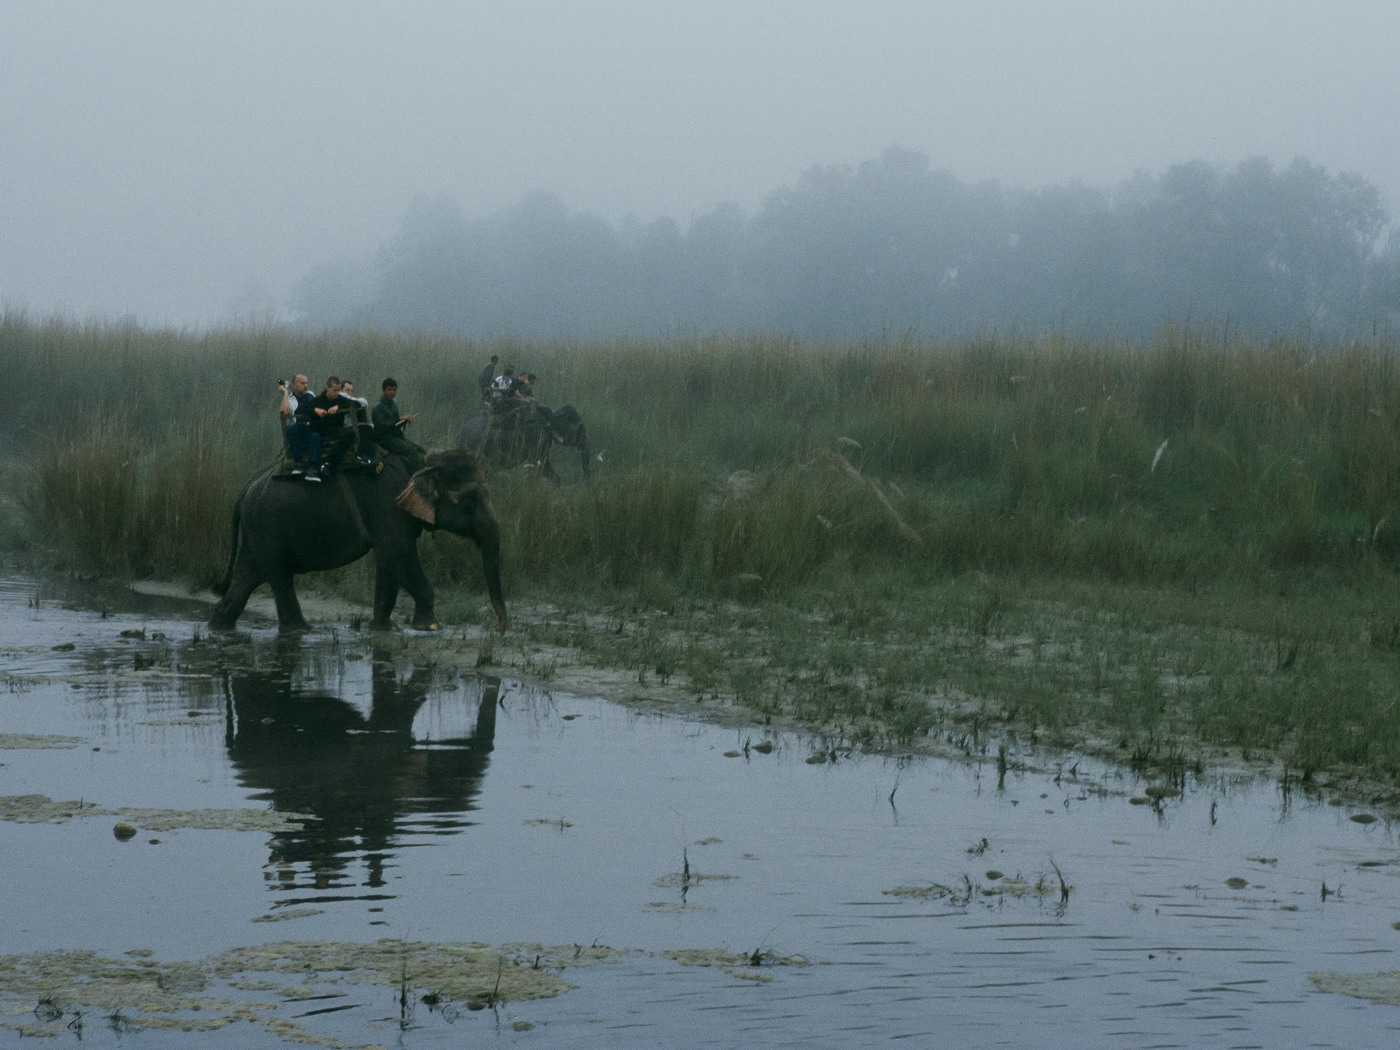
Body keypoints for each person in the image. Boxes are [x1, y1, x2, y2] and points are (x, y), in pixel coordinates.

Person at [307, 376, 364, 479]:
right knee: (346, 434)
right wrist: (316, 410)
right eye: (334, 390)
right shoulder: (319, 400)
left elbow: (357, 404)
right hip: (321, 428)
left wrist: (339, 407)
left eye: (338, 390)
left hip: (334, 429)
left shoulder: (340, 399)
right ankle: (326, 465)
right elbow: (301, 409)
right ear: (327, 388)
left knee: (351, 434)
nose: (337, 393)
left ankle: (330, 462)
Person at [372, 377, 426, 473]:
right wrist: (398, 421)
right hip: (386, 439)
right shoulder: (378, 407)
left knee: (421, 450)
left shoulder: (392, 404)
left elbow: (395, 421)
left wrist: (403, 419)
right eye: (389, 389)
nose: (392, 392)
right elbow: (382, 427)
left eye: (394, 390)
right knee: (411, 451)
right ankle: (414, 477)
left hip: (397, 436)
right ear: (383, 390)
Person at [279, 374, 317, 477]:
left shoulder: (311, 395)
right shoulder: (289, 400)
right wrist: (285, 393)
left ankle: (313, 466)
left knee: (315, 434)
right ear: (293, 386)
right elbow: (284, 412)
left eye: (306, 383)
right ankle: (298, 462)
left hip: (312, 427)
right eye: (302, 383)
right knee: (291, 429)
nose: (306, 385)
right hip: (299, 428)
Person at [338, 380, 378, 467]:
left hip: (350, 425)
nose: (350, 393)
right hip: (343, 427)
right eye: (347, 390)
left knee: (368, 428)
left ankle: (368, 456)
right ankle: (363, 456)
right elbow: (362, 402)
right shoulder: (340, 397)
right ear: (341, 390)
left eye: (351, 391)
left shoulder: (348, 400)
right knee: (366, 429)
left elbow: (362, 403)